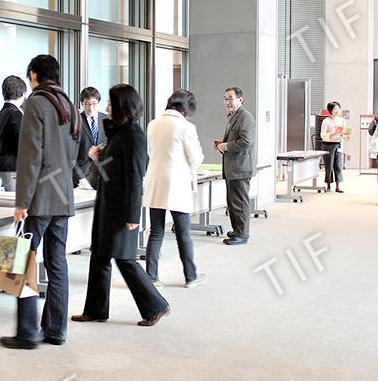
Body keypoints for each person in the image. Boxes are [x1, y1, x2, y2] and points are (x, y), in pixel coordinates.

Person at [71, 84, 170, 327]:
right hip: (107, 204)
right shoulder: (119, 133)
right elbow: (113, 168)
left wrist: (133, 215)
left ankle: (156, 305)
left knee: (125, 258)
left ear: (122, 107)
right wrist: (99, 156)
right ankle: (95, 310)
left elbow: (135, 177)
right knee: (100, 256)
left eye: (111, 104)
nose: (106, 108)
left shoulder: (134, 136)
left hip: (122, 208)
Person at [0, 54, 80, 349]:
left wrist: (22, 201)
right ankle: (56, 330)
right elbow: (77, 154)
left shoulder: (35, 103)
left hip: (40, 198)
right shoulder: (70, 104)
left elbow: (31, 155)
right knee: (57, 263)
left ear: (34, 75)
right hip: (63, 195)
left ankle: (27, 332)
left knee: (21, 259)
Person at [144, 90, 206, 288]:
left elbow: (151, 152)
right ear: (186, 110)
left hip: (155, 182)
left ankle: (151, 277)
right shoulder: (186, 127)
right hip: (177, 184)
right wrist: (190, 167)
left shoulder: (152, 124)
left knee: (156, 232)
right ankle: (191, 276)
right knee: (183, 233)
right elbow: (196, 157)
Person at [212, 87, 256, 246]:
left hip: (240, 167)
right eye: (225, 98)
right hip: (233, 167)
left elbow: (246, 142)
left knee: (239, 202)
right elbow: (236, 139)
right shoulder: (233, 117)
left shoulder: (245, 117)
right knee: (232, 202)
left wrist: (226, 147)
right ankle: (237, 230)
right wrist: (221, 144)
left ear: (240, 99)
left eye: (231, 98)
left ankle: (242, 234)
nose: (227, 102)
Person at [73, 86, 108, 186]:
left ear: (99, 102)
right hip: (82, 175)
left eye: (94, 104)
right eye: (87, 104)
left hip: (103, 172)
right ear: (82, 104)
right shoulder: (77, 121)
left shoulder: (106, 120)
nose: (91, 107)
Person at [320, 101, 350, 193]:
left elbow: (344, 133)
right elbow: (322, 135)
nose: (337, 110)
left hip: (338, 144)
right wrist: (332, 133)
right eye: (335, 109)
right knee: (329, 166)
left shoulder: (342, 120)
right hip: (328, 145)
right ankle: (328, 185)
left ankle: (338, 185)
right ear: (330, 111)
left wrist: (346, 136)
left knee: (338, 165)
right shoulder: (326, 121)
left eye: (338, 108)